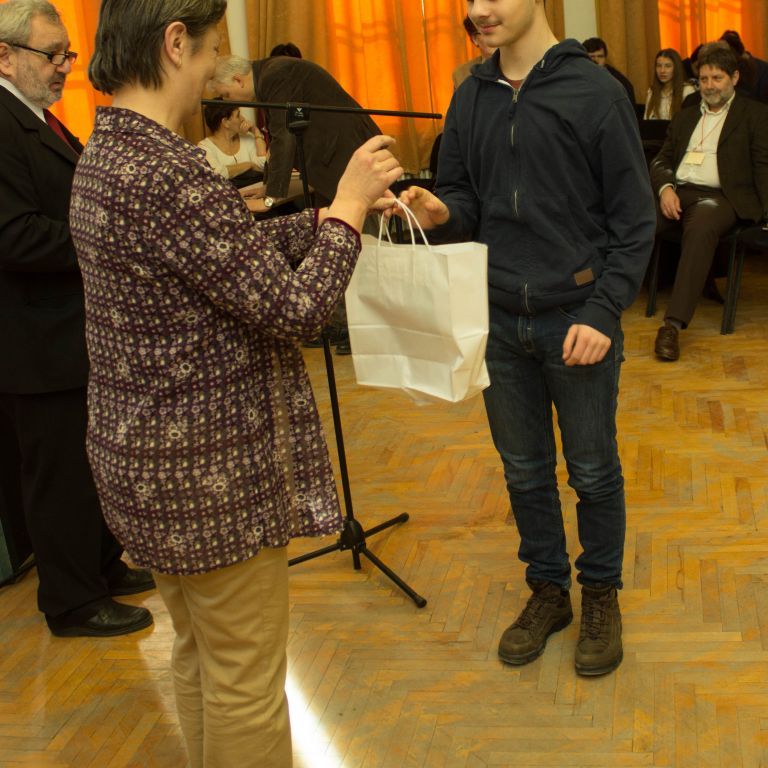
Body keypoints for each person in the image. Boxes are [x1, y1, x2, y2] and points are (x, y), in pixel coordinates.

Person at [70, 1, 402, 766]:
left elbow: (221, 255)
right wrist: (350, 209)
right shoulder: (167, 173)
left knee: (201, 657)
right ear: (173, 43)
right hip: (207, 482)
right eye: (212, 52)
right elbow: (296, 311)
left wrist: (326, 219)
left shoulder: (107, 156)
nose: (216, 75)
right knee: (246, 684)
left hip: (145, 470)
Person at [396, 0, 655, 676]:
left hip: (577, 318)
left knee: (593, 471)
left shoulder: (595, 92)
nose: (478, 10)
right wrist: (441, 210)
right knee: (523, 470)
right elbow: (465, 200)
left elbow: (634, 222)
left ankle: (600, 595)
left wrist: (603, 312)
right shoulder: (471, 96)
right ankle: (548, 591)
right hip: (499, 319)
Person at [0, 0, 154, 637]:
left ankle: (101, 567)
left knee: (88, 464)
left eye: (67, 53)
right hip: (36, 340)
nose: (65, 66)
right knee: (58, 476)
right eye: (52, 55)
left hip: (67, 331)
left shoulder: (37, 116)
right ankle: (71, 601)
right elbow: (13, 236)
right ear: (4, 57)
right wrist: (103, 239)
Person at [650, 44, 768, 361]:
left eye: (717, 78)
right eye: (704, 79)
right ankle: (595, 298)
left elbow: (764, 166)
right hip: (679, 192)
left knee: (701, 228)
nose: (709, 85)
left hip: (721, 198)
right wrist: (665, 190)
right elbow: (661, 160)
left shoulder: (755, 115)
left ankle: (672, 326)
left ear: (734, 78)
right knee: (635, 220)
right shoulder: (687, 115)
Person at [209, 54, 381, 207]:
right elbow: (277, 137)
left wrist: (271, 197)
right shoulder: (267, 74)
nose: (227, 101)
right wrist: (268, 186)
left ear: (238, 80)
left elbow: (284, 134)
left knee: (358, 225)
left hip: (348, 153)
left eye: (226, 94)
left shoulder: (273, 76)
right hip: (338, 156)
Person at [198, 100, 266, 186]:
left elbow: (263, 165)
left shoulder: (248, 137)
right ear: (225, 122)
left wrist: (256, 131)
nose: (243, 119)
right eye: (238, 115)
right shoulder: (204, 147)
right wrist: (249, 165)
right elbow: (217, 174)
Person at [583, 36, 636, 106]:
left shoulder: (617, 79)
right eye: (591, 57)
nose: (596, 60)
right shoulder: (579, 76)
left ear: (605, 58)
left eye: (600, 56)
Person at [644, 48, 696, 119]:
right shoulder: (652, 91)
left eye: (667, 66)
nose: (662, 71)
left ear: (676, 68)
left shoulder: (687, 91)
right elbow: (646, 120)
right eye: (659, 66)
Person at [452, 15, 496, 89]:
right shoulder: (462, 75)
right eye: (488, 32)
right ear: (475, 39)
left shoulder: (515, 65)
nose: (496, 38)